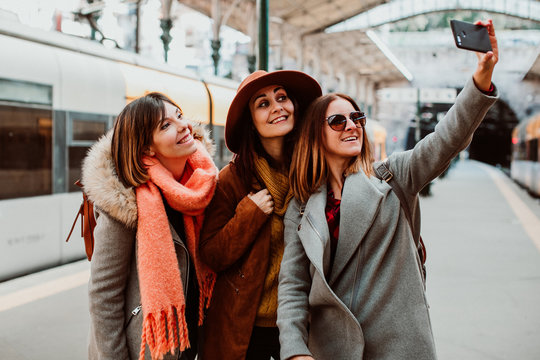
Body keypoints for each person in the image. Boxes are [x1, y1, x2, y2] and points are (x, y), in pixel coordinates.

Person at [277, 20, 499, 360]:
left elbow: (447, 139)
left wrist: (481, 77)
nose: (351, 126)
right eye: (338, 121)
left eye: (357, 118)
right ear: (315, 136)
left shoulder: (394, 177)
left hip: (399, 344)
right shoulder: (302, 205)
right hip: (333, 349)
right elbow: (293, 285)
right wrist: (294, 351)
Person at [84, 92, 218, 360]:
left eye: (179, 115)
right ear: (147, 148)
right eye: (165, 125)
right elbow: (103, 296)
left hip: (192, 345)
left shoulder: (204, 186)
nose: (183, 126)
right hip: (145, 351)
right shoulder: (128, 204)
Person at [198, 70, 322, 360]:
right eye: (263, 103)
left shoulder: (315, 173)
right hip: (247, 328)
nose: (278, 106)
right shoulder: (232, 180)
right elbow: (211, 254)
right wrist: (248, 216)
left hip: (305, 325)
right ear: (250, 123)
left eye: (282, 97)